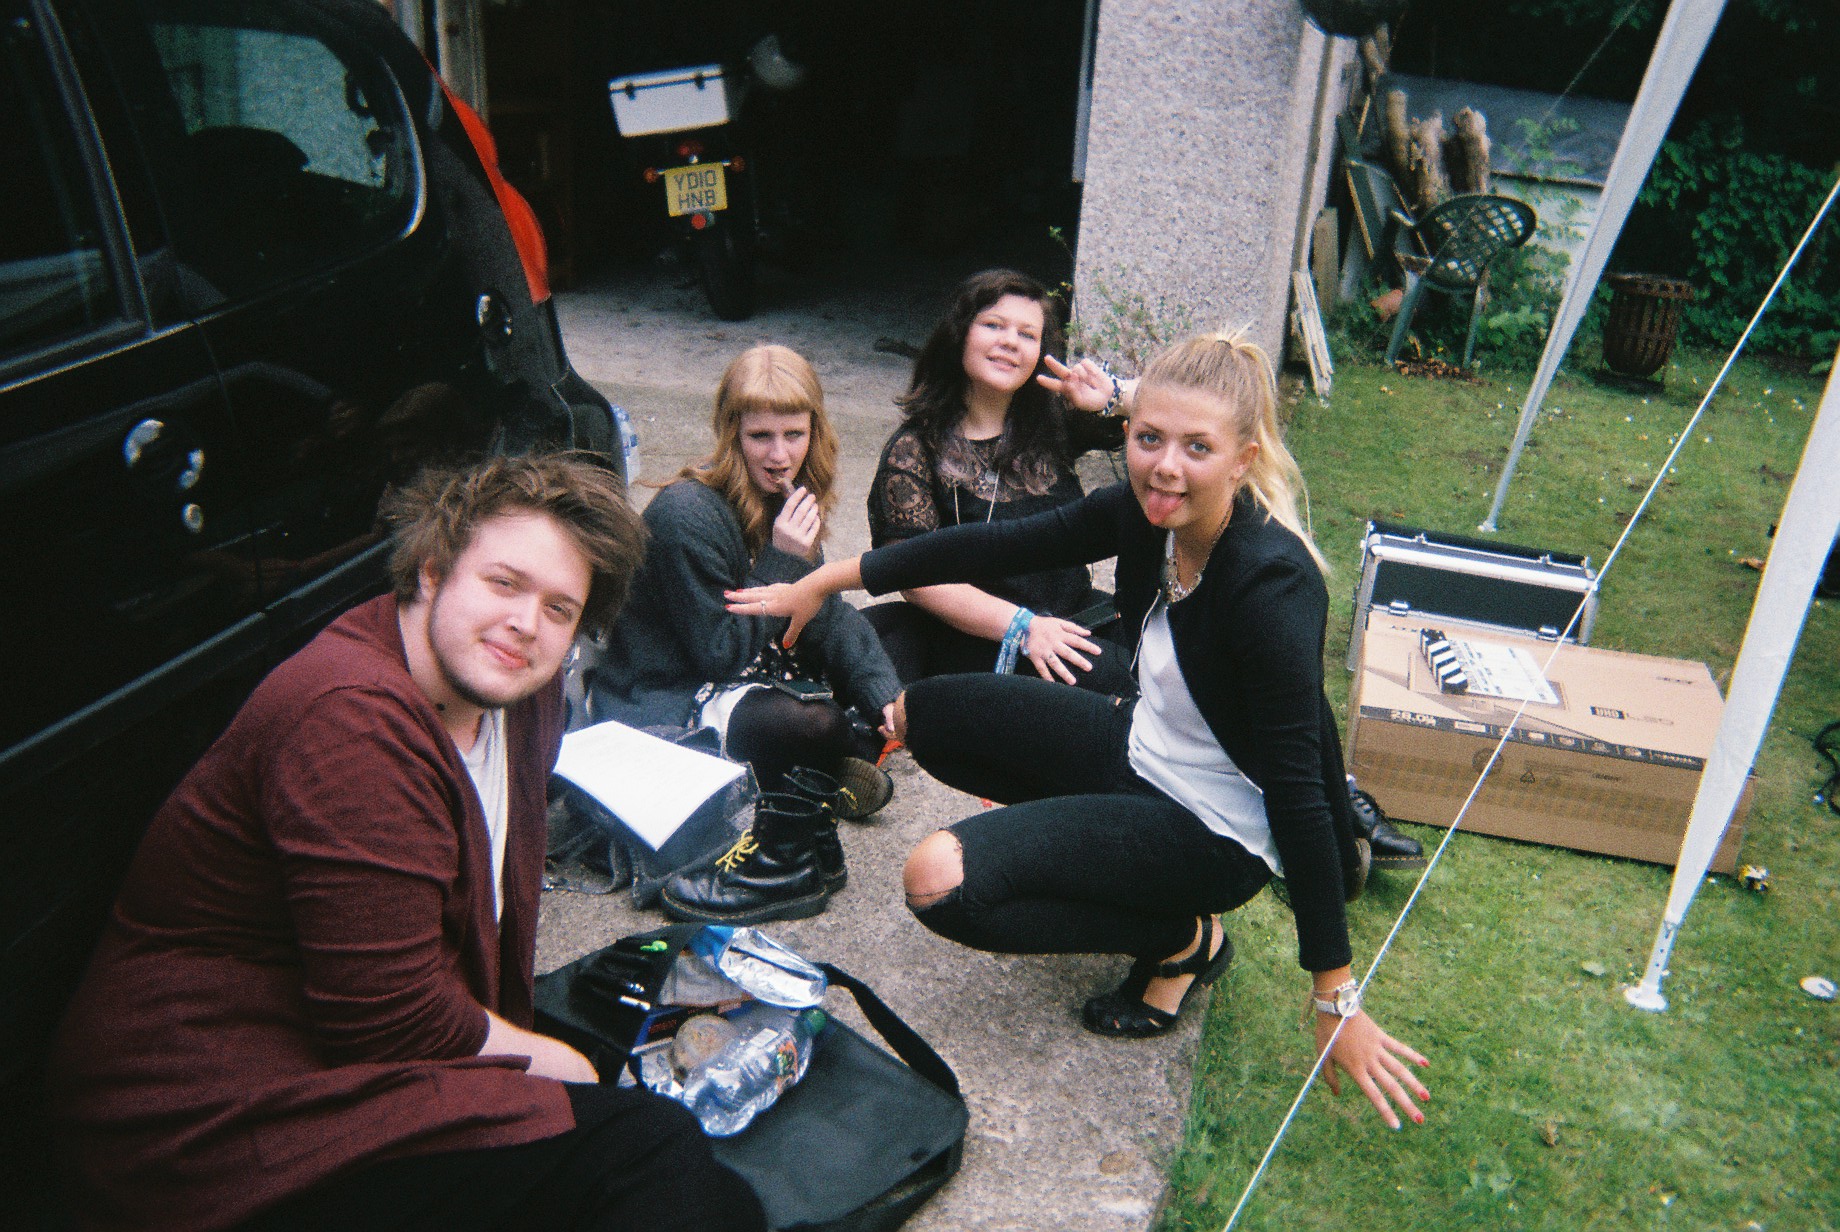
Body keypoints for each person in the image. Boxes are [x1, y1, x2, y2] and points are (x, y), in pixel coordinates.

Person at [729, 330, 1432, 1129]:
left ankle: (1180, 939)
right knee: (924, 715)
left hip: (1217, 827)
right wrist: (827, 578)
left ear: (1243, 458)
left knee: (938, 879)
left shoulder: (1272, 583)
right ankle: (1114, 867)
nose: (1165, 466)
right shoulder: (1144, 511)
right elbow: (992, 542)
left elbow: (1301, 791)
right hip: (1137, 748)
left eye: (1197, 447)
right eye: (1149, 438)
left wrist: (1333, 989)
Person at [47, 454, 767, 1232]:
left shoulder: (517, 697)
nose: (528, 623)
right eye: (503, 583)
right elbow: (395, 1024)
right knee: (649, 1152)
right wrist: (568, 1071)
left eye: (561, 609)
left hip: (336, 1061)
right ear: (431, 572)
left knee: (718, 1202)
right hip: (204, 1120)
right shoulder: (350, 722)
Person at [586, 344, 901, 923]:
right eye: (761, 437)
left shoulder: (781, 498)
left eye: (794, 434)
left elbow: (826, 612)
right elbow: (719, 654)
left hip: (744, 676)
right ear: (732, 434)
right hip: (667, 699)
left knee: (889, 647)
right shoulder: (687, 514)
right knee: (815, 720)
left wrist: (885, 694)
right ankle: (831, 770)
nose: (780, 456)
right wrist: (783, 559)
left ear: (816, 432)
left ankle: (832, 765)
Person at [864, 269, 1134, 693]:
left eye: (1027, 335)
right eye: (993, 325)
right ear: (959, 336)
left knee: (1175, 667)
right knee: (1122, 690)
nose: (1010, 342)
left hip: (1078, 617)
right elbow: (913, 577)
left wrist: (1113, 397)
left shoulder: (1054, 425)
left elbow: (1187, 420)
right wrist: (1024, 628)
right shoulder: (915, 450)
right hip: (989, 636)